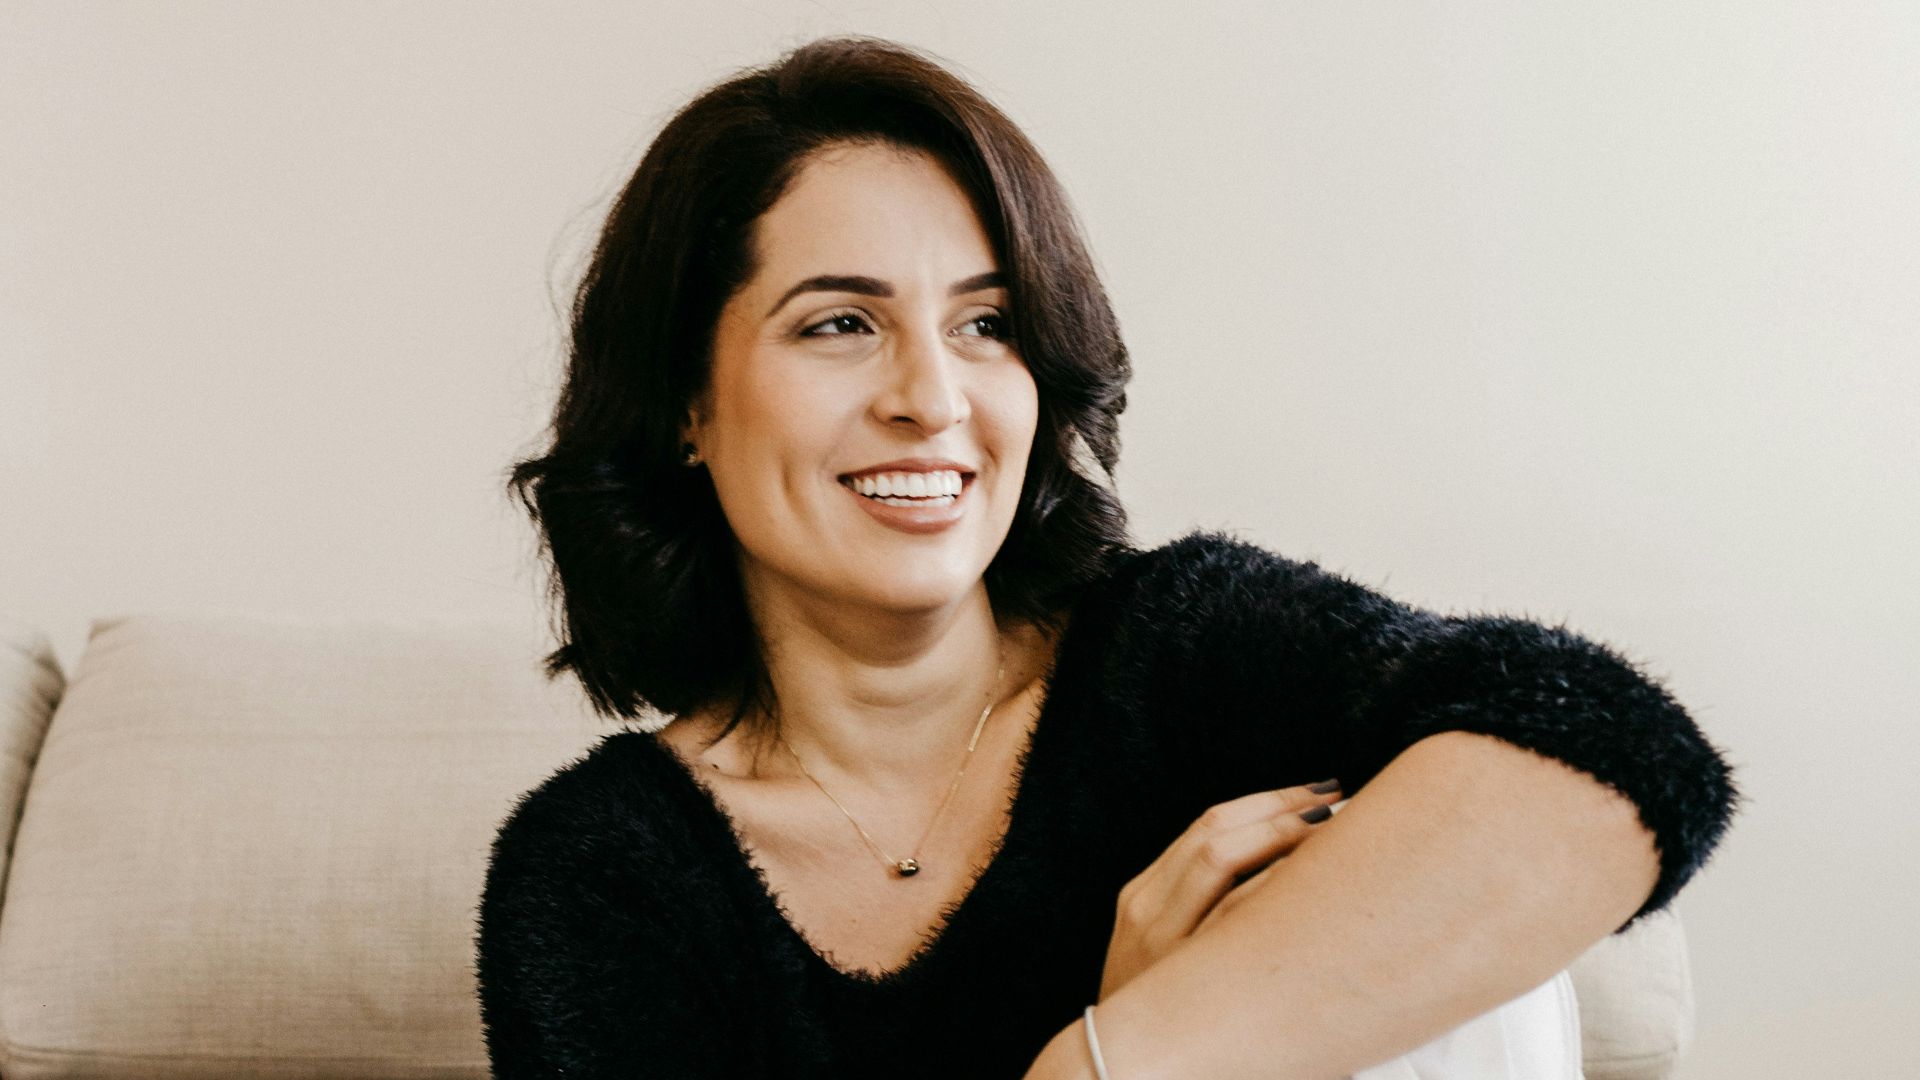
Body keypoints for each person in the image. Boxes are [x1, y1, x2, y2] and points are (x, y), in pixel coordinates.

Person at [476, 35, 1736, 1080]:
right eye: (842, 323)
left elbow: (1616, 755)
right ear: (686, 402)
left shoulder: (1182, 650)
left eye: (987, 325)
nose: (933, 396)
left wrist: (1126, 1054)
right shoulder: (603, 873)